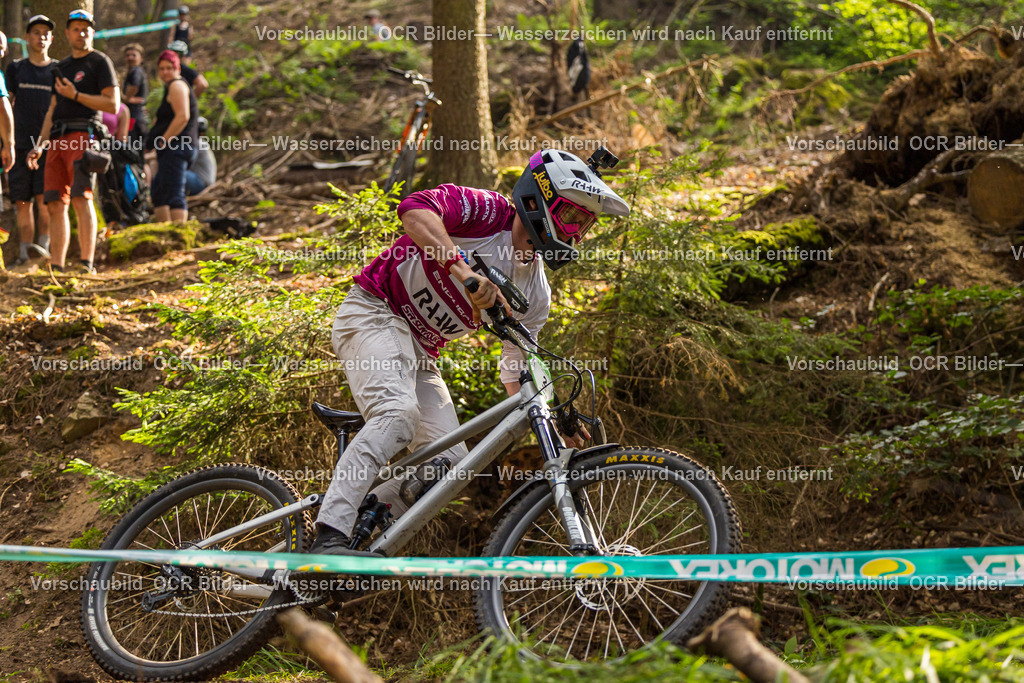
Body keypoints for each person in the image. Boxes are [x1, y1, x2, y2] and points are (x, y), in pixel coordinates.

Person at [308, 149, 630, 556]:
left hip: (421, 353)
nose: (575, 234)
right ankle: (329, 534)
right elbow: (414, 210)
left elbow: (518, 371)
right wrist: (466, 274)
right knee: (398, 415)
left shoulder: (536, 293)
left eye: (585, 226)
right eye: (571, 218)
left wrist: (554, 416)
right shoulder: (486, 212)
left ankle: (348, 535)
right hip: (374, 311)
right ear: (541, 198)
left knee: (449, 469)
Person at [26, 9, 119, 275]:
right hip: (56, 139)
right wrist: (40, 145)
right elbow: (52, 108)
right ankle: (57, 265)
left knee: (81, 197)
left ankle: (86, 263)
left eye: (86, 29)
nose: (82, 33)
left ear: (93, 32)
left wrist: (76, 95)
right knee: (55, 202)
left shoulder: (100, 62)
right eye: (76, 29)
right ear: (67, 34)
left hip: (83, 135)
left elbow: (113, 104)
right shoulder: (61, 67)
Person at [5, 16, 54, 266]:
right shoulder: (15, 69)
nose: (41, 37)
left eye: (46, 33)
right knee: (22, 203)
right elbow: (6, 103)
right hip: (20, 144)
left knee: (44, 202)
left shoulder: (58, 69)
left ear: (52, 38)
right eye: (36, 32)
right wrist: (7, 141)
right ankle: (25, 256)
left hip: (49, 146)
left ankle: (43, 254)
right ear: (27, 37)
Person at [146, 50, 197, 223]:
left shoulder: (177, 85)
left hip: (178, 147)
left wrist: (163, 141)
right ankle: (164, 234)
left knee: (175, 191)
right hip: (171, 149)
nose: (165, 72)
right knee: (159, 191)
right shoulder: (170, 86)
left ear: (178, 69)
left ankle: (179, 235)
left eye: (169, 68)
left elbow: (183, 116)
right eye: (162, 69)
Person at [121, 43, 148, 150]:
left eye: (133, 55)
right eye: (128, 55)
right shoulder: (135, 71)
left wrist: (126, 98)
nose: (130, 58)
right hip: (138, 116)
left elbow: (134, 86)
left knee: (132, 150)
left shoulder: (136, 71)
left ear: (140, 58)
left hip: (135, 118)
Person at [185, 116, 215, 195]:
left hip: (202, 184)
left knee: (176, 171)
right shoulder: (201, 142)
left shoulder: (198, 143)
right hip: (203, 183)